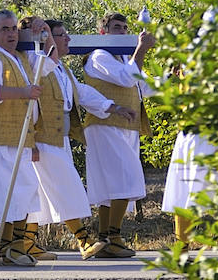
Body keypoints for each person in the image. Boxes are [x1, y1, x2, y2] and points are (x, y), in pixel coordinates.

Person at [22, 17, 136, 260]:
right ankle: (83, 240)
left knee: (41, 193)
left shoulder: (62, 69)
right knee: (67, 187)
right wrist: (29, 141)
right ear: (47, 39)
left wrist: (113, 107)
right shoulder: (37, 64)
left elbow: (82, 93)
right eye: (61, 35)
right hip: (42, 138)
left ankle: (27, 243)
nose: (68, 39)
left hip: (58, 137)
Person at [0, 10, 47, 266]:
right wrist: (23, 92)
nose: (11, 34)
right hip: (3, 138)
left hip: (20, 137)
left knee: (20, 192)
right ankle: (12, 247)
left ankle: (11, 247)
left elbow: (49, 60)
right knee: (15, 192)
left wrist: (41, 30)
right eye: (5, 29)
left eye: (13, 29)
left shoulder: (19, 59)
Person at [83, 12, 155, 258]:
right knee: (127, 178)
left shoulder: (126, 57)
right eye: (117, 27)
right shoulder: (99, 55)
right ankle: (113, 237)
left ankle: (105, 239)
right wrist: (142, 50)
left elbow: (146, 85)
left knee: (112, 184)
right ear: (103, 32)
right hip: (105, 124)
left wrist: (173, 77)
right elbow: (126, 78)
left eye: (125, 28)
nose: (123, 31)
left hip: (125, 126)